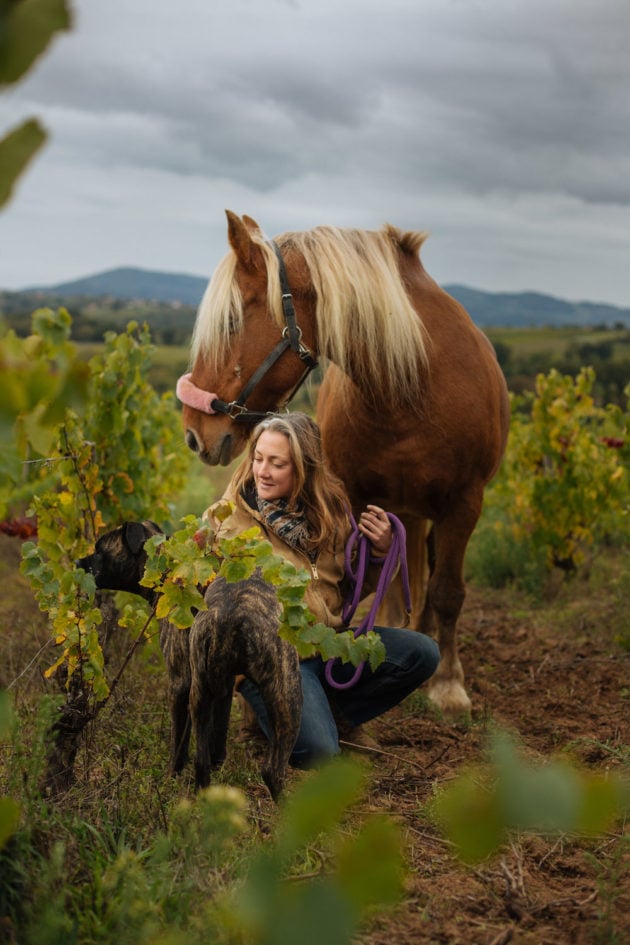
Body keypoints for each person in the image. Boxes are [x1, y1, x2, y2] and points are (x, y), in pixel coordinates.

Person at [204, 412, 440, 767]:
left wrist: (379, 552)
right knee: (319, 753)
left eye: (277, 463)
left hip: (327, 645)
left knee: (422, 653)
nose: (262, 471)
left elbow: (351, 591)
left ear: (303, 468)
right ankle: (271, 717)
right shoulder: (227, 520)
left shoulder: (330, 513)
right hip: (274, 662)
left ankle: (332, 716)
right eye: (258, 458)